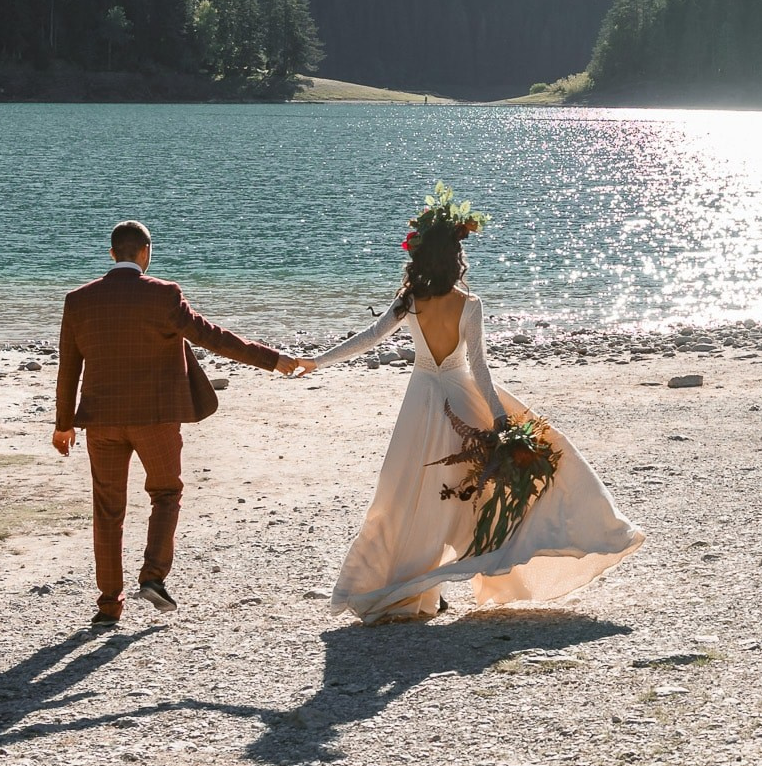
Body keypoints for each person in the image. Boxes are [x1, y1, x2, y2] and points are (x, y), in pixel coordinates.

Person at [302, 185, 643, 624]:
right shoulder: (469, 304)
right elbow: (479, 368)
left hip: (421, 402)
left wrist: (315, 361)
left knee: (411, 494)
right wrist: (499, 418)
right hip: (462, 398)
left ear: (422, 257)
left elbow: (369, 339)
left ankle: (418, 584)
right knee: (468, 493)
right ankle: (439, 580)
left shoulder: (410, 301)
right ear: (455, 258)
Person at [55, 220, 315, 626]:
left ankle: (108, 605)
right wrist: (272, 359)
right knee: (166, 493)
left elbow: (68, 367)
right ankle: (152, 577)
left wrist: (63, 424)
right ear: (146, 252)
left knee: (107, 510)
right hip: (156, 420)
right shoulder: (164, 294)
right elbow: (213, 337)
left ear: (112, 254)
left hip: (101, 423)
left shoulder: (79, 300)